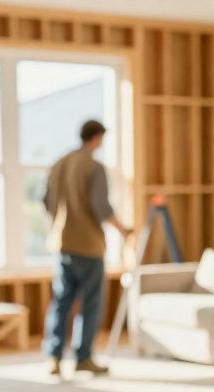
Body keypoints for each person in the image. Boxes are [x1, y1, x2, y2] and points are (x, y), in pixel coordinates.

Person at [42, 119, 132, 376]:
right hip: (89, 245)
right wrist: (124, 230)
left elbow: (46, 201)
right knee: (91, 302)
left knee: (62, 300)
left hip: (62, 243)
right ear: (97, 138)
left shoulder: (60, 164)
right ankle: (83, 358)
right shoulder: (94, 167)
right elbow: (101, 208)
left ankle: (54, 357)